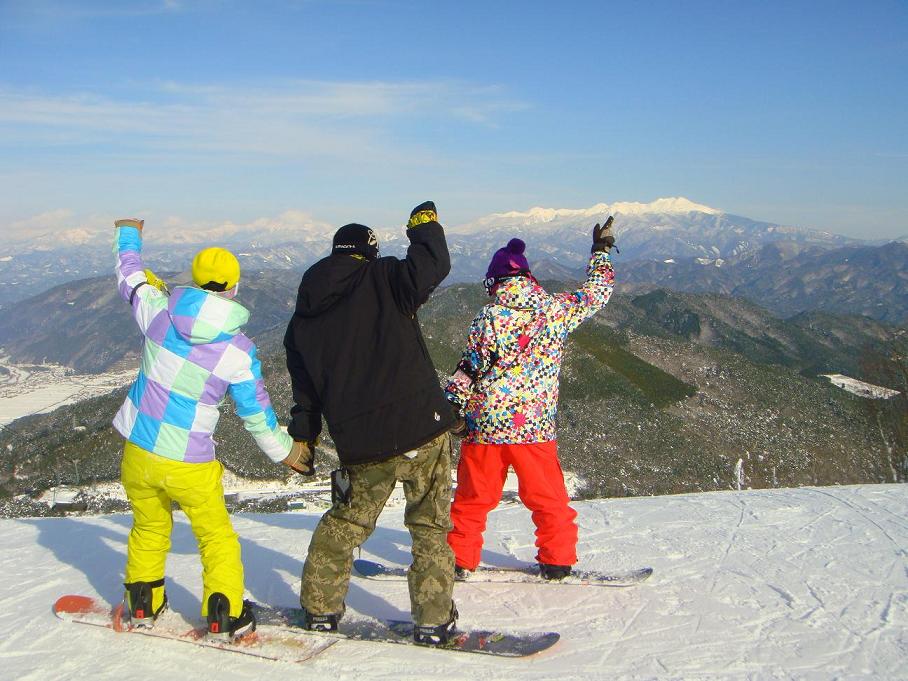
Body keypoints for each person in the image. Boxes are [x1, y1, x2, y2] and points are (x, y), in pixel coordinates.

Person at [111, 218, 312, 639]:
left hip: (139, 450)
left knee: (149, 527)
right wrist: (286, 452)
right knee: (215, 536)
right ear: (233, 288)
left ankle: (143, 602)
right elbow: (255, 415)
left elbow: (129, 274)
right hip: (190, 461)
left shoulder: (157, 313)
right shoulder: (238, 352)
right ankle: (225, 611)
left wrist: (129, 232)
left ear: (195, 281)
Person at [284, 202, 458, 645]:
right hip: (422, 426)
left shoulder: (302, 321)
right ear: (370, 251)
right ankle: (433, 620)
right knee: (429, 527)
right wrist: (425, 226)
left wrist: (303, 438)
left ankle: (321, 611)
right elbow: (434, 264)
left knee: (345, 524)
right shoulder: (384, 278)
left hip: (363, 444)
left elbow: (306, 394)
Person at [445, 220, 617, 580]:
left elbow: (468, 370)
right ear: (527, 277)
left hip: (486, 427)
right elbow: (597, 292)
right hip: (534, 427)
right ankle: (556, 561)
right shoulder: (556, 310)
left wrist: (451, 408)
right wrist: (600, 252)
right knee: (548, 498)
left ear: (495, 283)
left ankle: (460, 558)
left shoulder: (488, 318)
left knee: (472, 500)